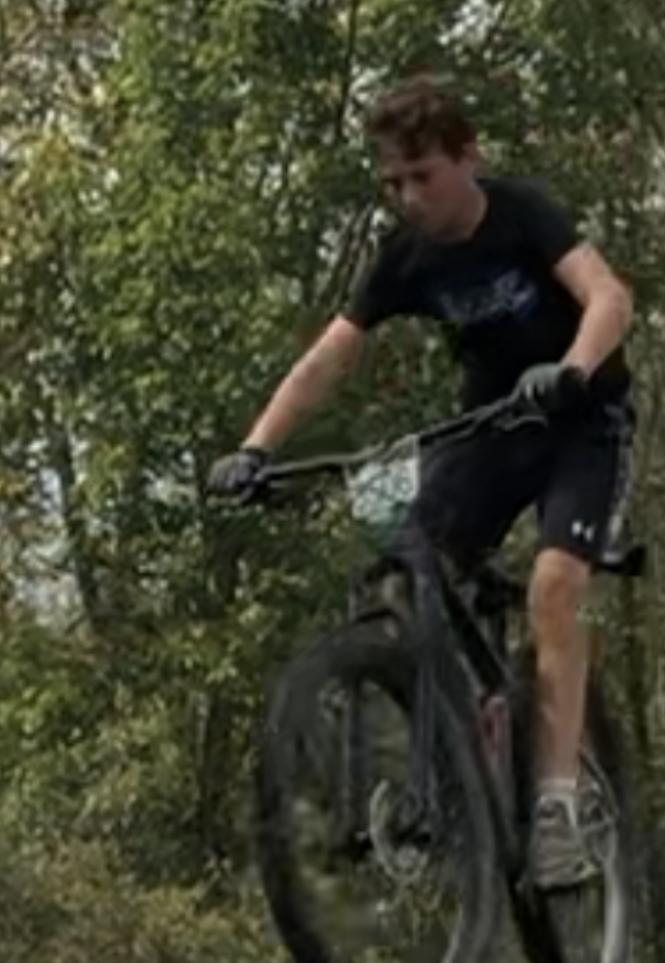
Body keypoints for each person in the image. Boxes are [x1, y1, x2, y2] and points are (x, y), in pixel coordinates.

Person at [207, 75, 635, 888]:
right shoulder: (404, 258)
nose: (408, 197)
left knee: (552, 586)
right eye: (393, 182)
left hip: (583, 424)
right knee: (401, 564)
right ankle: (458, 752)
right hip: (489, 431)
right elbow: (330, 356)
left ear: (468, 157)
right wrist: (256, 448)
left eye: (423, 176)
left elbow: (609, 297)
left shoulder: (520, 213)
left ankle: (556, 807)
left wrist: (574, 368)